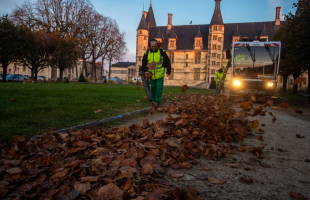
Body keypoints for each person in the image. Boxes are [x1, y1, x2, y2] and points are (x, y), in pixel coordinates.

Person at [141, 39, 171, 107]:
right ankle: (154, 100)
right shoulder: (147, 53)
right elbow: (144, 62)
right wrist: (144, 70)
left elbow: (167, 61)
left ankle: (157, 101)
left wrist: (168, 71)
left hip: (160, 73)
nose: (153, 48)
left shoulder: (162, 52)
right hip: (151, 74)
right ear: (150, 46)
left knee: (159, 87)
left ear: (157, 45)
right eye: (152, 46)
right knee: (153, 88)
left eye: (155, 46)